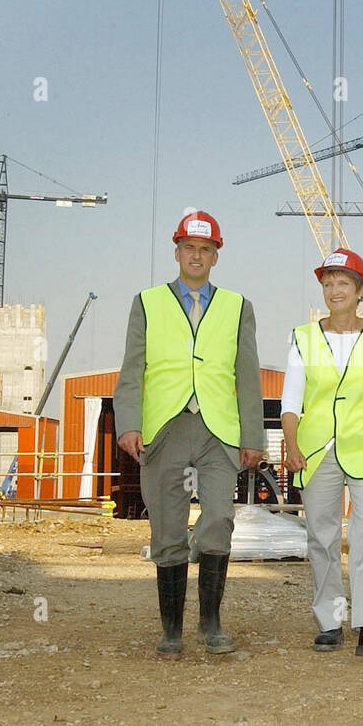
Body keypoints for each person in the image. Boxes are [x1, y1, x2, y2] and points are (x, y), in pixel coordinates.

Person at [113, 210, 264, 658]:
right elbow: (132, 369)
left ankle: (212, 624)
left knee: (218, 518)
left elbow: (248, 375)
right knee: (167, 525)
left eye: (206, 250)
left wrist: (252, 434)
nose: (197, 256)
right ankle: (172, 629)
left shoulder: (239, 307)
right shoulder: (147, 303)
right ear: (177, 252)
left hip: (219, 429)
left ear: (216, 256)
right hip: (165, 427)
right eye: (189, 248)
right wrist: (129, 423)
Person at [281, 249, 363, 658]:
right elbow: (290, 400)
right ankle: (331, 621)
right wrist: (293, 445)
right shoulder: (303, 337)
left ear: (361, 291)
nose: (334, 291)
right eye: (329, 283)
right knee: (322, 536)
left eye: (343, 284)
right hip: (317, 450)